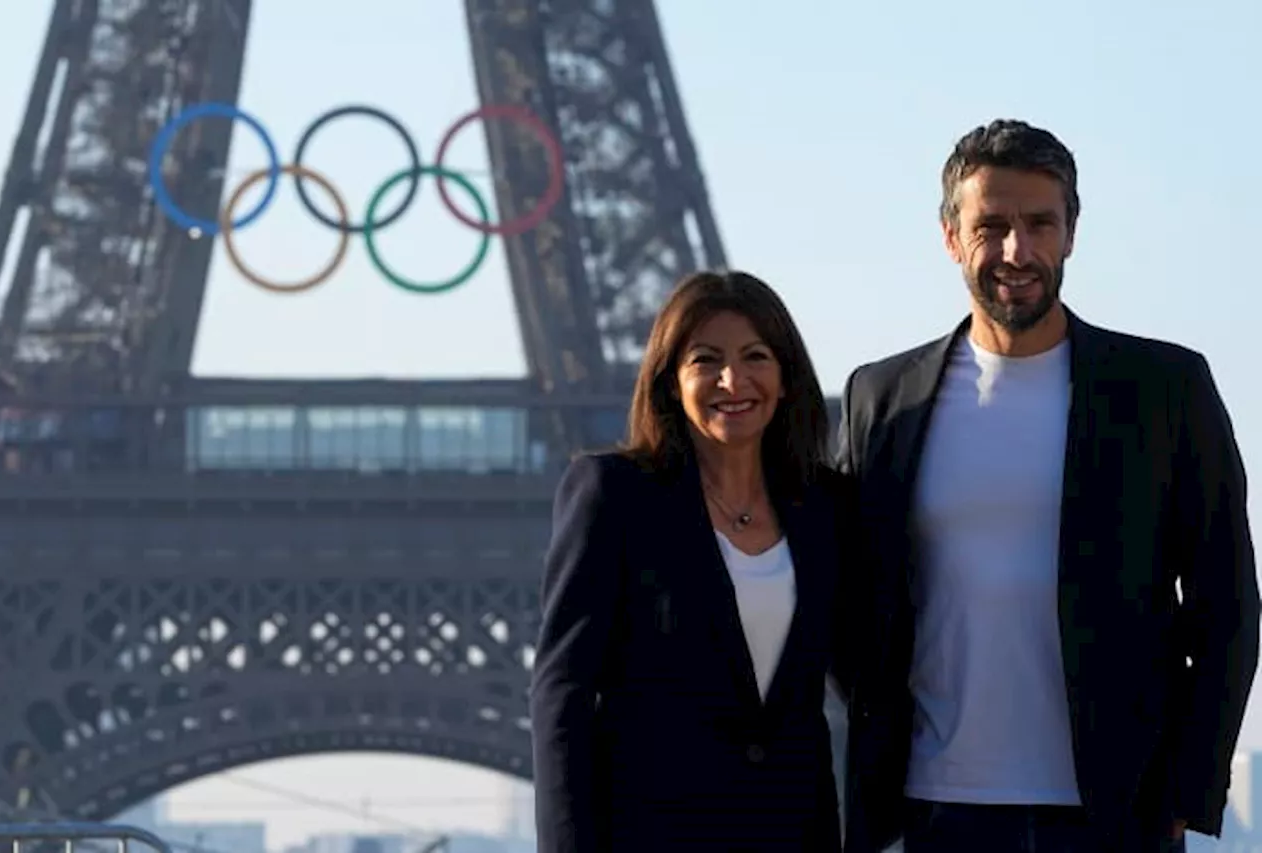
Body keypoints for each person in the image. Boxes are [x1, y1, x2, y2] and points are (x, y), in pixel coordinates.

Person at [836, 118, 1260, 853]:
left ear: (1071, 232)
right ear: (948, 236)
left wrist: (1187, 792)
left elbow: (1228, 604)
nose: (1016, 250)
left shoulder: (1164, 389)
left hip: (1113, 811)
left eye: (1039, 223)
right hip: (934, 808)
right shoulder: (880, 397)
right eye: (990, 225)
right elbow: (848, 597)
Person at [530, 269, 857, 852]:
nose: (734, 380)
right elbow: (563, 693)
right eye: (706, 360)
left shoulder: (828, 509)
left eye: (756, 356)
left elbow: (866, 683)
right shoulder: (615, 496)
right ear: (671, 383)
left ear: (785, 378)